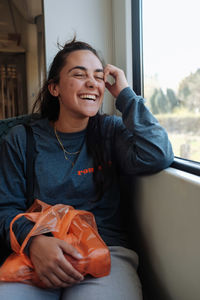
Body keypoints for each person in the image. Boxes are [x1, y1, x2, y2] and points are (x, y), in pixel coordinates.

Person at [0, 38, 174, 300]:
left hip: (105, 252)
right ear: (54, 88)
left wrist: (125, 95)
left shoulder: (110, 131)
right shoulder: (21, 139)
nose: (92, 83)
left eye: (98, 76)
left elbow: (157, 154)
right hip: (38, 252)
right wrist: (35, 242)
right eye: (79, 74)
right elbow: (5, 207)